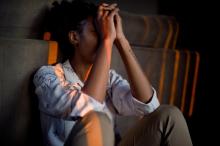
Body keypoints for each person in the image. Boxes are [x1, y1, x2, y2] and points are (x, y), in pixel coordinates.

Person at [33, 0, 193, 146]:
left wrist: (121, 39)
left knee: (169, 115)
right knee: (98, 119)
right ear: (74, 37)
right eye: (98, 31)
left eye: (107, 32)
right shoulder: (48, 77)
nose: (106, 35)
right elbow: (91, 108)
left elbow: (150, 106)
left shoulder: (109, 78)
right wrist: (107, 40)